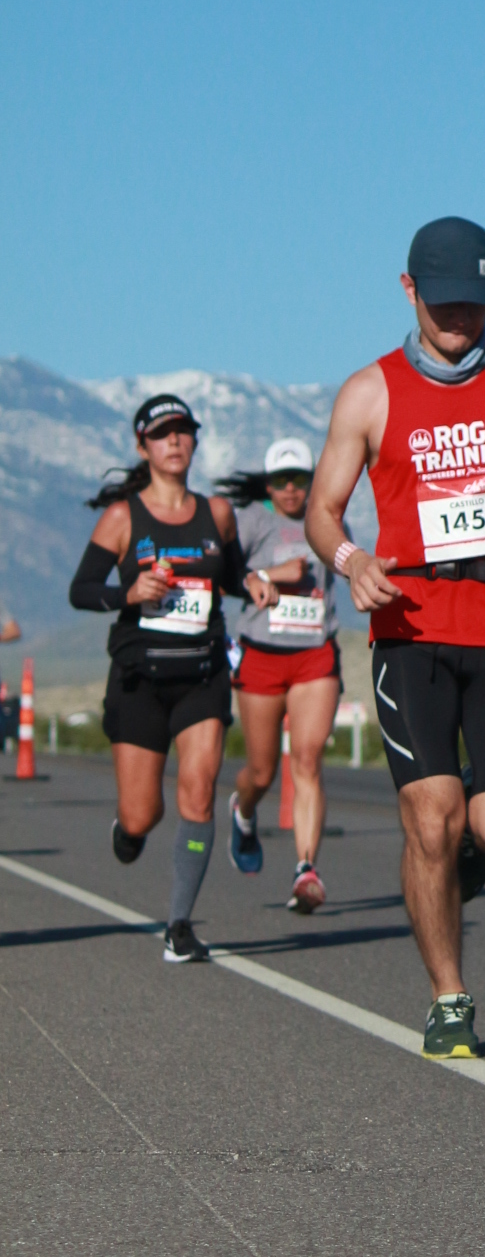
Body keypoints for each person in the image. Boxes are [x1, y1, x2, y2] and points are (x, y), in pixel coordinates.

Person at [305, 217, 485, 1059]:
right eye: (446, 304)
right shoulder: (370, 392)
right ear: (409, 291)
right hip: (409, 628)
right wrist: (351, 560)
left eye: (477, 302)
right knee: (429, 822)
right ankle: (449, 997)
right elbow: (323, 511)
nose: (462, 317)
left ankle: (472, 822)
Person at [68, 394, 276, 964]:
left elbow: (229, 574)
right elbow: (81, 590)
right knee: (144, 813)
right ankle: (129, 828)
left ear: (195, 440)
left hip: (202, 673)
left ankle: (179, 926)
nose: (175, 441)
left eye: (183, 430)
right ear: (143, 447)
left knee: (200, 789)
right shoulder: (123, 518)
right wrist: (129, 592)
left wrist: (251, 582)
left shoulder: (217, 513)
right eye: (162, 434)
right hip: (140, 677)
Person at [220, 438, 347, 913]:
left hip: (315, 654)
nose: (290, 489)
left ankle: (306, 869)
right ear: (268, 485)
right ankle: (244, 809)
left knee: (308, 760)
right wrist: (270, 574)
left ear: (312, 481)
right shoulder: (252, 520)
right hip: (262, 656)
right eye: (280, 481)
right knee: (262, 770)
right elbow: (224, 575)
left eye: (299, 480)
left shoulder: (328, 517)